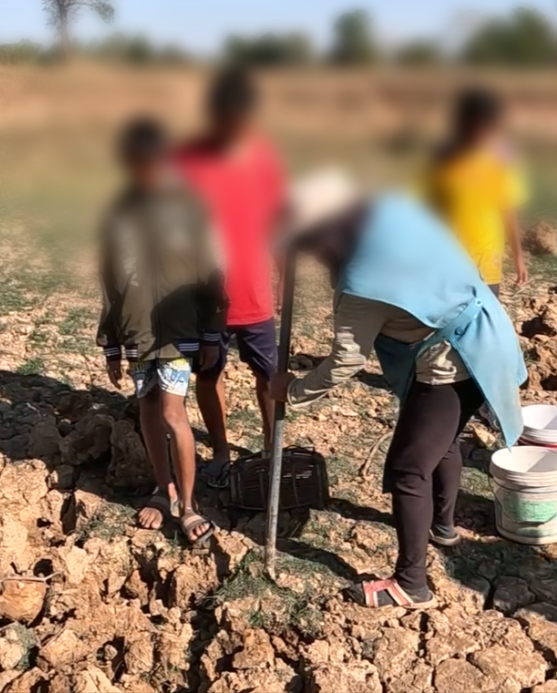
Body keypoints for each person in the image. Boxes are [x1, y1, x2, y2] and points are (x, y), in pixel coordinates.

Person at [269, 170, 527, 610]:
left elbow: (346, 362)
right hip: (486, 337)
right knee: (441, 441)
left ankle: (411, 585)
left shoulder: (360, 282)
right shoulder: (396, 212)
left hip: (452, 362)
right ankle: (442, 526)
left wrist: (291, 390)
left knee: (409, 470)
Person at [97, 117, 227, 546]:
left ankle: (188, 505)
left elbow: (212, 276)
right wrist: (111, 343)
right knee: (148, 411)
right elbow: (109, 282)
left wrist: (212, 334)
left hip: (178, 333)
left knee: (173, 414)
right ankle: (162, 488)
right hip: (136, 334)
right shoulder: (118, 214)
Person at [177, 67, 285, 488]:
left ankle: (271, 449)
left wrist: (282, 274)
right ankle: (221, 450)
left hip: (255, 293)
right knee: (209, 374)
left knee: (269, 377)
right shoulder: (187, 160)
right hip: (203, 297)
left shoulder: (263, 156)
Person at [420, 86, 528, 298]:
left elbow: (507, 208)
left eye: (487, 126)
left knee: (484, 315)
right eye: (475, 125)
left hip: (487, 260)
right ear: (463, 123)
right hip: (449, 258)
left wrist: (518, 256)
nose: (481, 132)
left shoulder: (500, 158)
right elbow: (431, 206)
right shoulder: (443, 156)